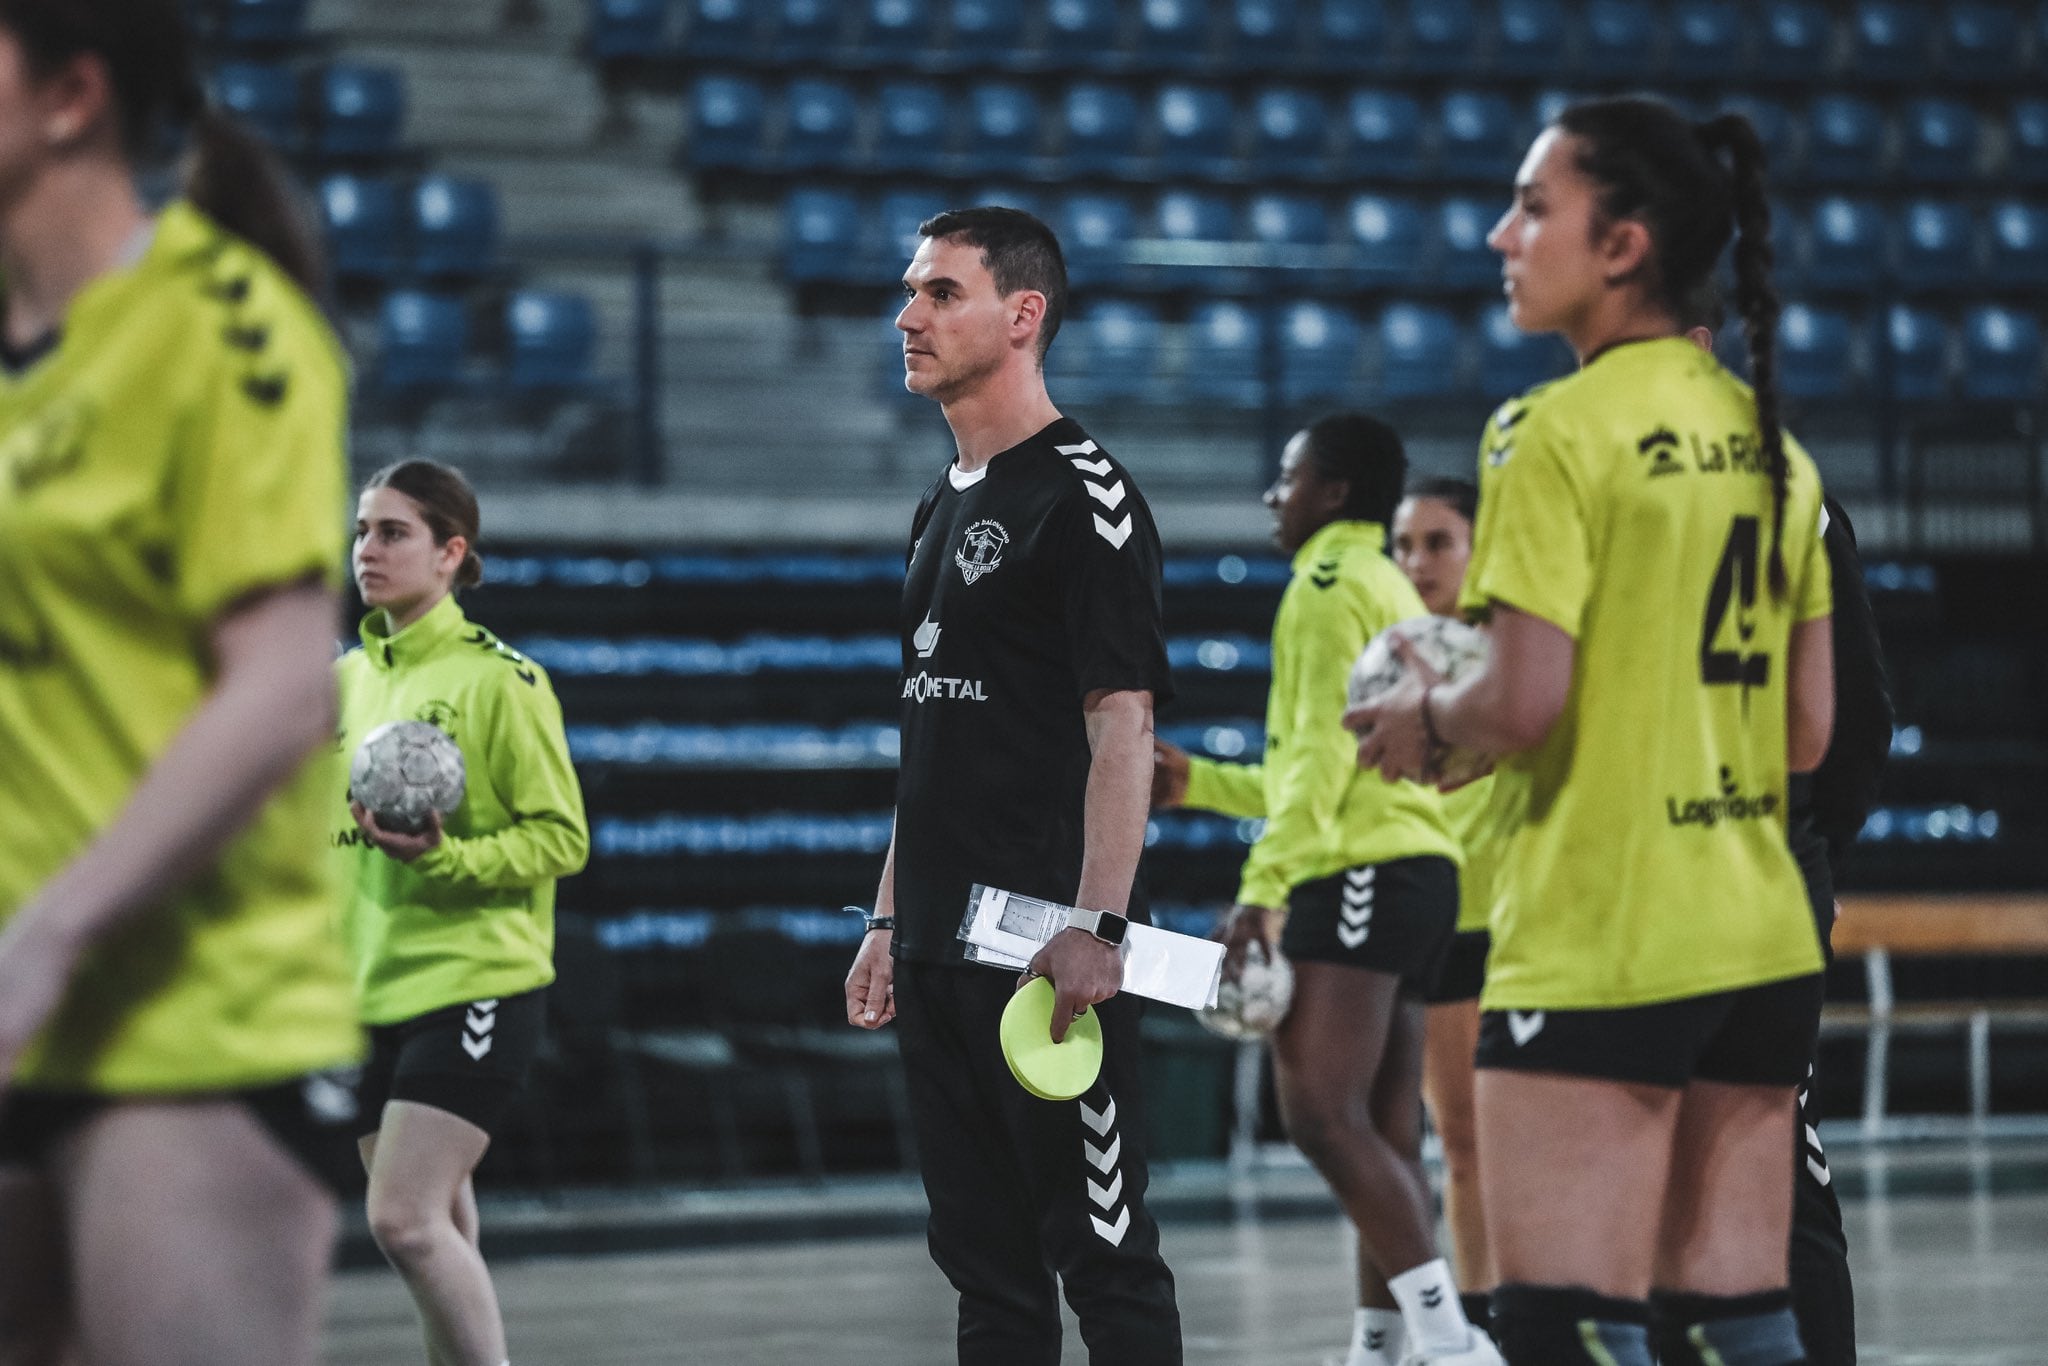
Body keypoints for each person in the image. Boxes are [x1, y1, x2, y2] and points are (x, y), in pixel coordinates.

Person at [1349, 96, 1836, 1366]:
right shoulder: (1770, 438)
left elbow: (1518, 702)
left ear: (1619, 246)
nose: (1499, 232)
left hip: (1602, 929)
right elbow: (1804, 731)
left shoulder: (1547, 429)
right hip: (1759, 929)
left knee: (1566, 1328)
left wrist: (1423, 720)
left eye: (1530, 206)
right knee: (1737, 1327)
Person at [0, 2, 364, 1361]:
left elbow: (278, 688)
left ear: (69, 97)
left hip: (182, 1017)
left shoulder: (223, 326)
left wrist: (48, 937)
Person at [842, 205, 1183, 1365]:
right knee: (983, 1273)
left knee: (1104, 1257)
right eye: (910, 290)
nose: (908, 315)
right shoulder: (939, 502)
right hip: (935, 949)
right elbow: (926, 739)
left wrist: (1098, 924)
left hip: (1047, 960)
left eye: (940, 291)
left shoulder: (1085, 498)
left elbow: (1123, 726)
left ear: (1022, 314)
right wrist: (889, 916)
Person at [1153, 419, 1498, 1366]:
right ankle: (1379, 1347)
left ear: (1335, 493)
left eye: (1289, 478)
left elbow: (1311, 767)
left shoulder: (1323, 585)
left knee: (1317, 1114)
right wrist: (1202, 785)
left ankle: (1452, 1341)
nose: (1274, 496)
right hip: (1421, 875)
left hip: (1357, 873)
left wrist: (1263, 891)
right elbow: (1339, 762)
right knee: (1383, 1133)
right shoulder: (1388, 587)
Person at [1681, 282, 1894, 1366]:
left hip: (1744, 868)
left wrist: (1810, 848)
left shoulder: (1783, 490)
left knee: (1762, 1163)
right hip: (1678, 880)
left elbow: (1851, 715)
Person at [337, 459, 589, 1366]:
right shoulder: (346, 682)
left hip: (475, 982)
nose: (368, 549)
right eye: (363, 530)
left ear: (452, 553)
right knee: (440, 1232)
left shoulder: (503, 682)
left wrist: (446, 857)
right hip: (370, 989)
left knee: (402, 1221)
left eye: (393, 532)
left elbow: (562, 841)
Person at [1390, 475, 1502, 1342]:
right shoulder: (1382, 659)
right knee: (1462, 1143)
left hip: (1539, 927)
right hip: (1445, 928)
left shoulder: (1522, 648)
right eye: (1404, 546)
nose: (1418, 562)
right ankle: (1486, 1324)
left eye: (1438, 542)